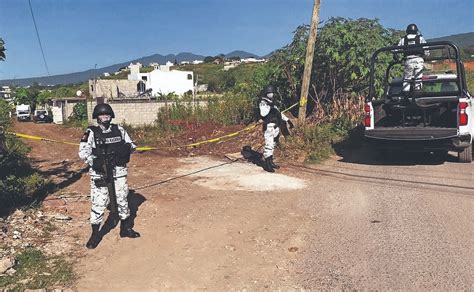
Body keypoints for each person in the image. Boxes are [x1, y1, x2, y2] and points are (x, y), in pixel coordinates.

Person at [79, 103, 140, 249]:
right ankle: (95, 234)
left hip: (118, 172)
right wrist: (95, 160)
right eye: (102, 114)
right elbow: (82, 153)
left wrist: (123, 151)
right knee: (99, 203)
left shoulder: (119, 130)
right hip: (100, 173)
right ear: (97, 117)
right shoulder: (91, 132)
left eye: (107, 114)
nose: (105, 117)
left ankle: (125, 228)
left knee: (122, 200)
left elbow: (132, 146)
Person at [258, 85, 293, 172]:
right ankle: (267, 164)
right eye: (270, 93)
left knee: (273, 144)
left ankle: (271, 161)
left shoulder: (271, 102)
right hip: (269, 126)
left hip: (276, 126)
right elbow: (263, 113)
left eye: (272, 92)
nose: (272, 94)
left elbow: (279, 113)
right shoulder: (263, 103)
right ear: (266, 93)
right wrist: (270, 108)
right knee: (269, 145)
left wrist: (288, 120)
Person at [397, 23, 430, 96]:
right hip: (418, 60)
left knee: (407, 78)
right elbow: (426, 49)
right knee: (418, 77)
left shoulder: (403, 39)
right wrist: (427, 56)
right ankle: (417, 93)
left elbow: (397, 49)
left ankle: (405, 94)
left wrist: (397, 57)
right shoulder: (420, 38)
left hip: (408, 60)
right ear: (416, 30)